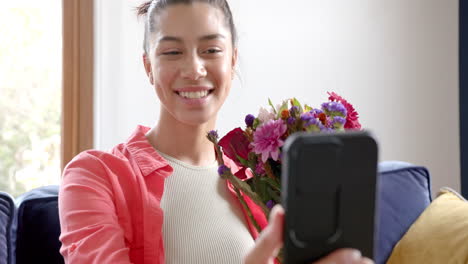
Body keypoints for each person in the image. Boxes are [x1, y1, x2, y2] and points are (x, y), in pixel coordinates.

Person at [58, 0, 374, 263]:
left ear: (233, 58)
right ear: (148, 66)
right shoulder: (94, 176)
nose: (194, 69)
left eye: (211, 50)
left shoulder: (261, 179)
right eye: (172, 52)